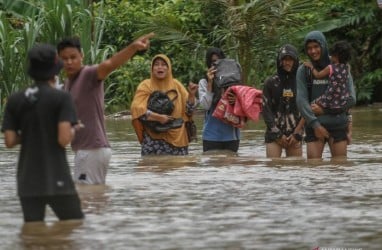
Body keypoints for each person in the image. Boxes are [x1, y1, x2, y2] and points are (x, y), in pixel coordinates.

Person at [1, 44, 84, 222]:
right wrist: (73, 129)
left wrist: (30, 132)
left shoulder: (15, 99)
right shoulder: (61, 97)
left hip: (27, 182)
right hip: (57, 178)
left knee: (32, 232)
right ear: (55, 68)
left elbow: (9, 140)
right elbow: (63, 140)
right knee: (74, 226)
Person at [57, 32, 154, 184]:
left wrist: (133, 47)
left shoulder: (88, 74)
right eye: (64, 59)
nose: (69, 62)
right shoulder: (67, 84)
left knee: (86, 197)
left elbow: (109, 64)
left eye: (73, 57)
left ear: (81, 55)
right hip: (85, 150)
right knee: (92, 198)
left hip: (92, 150)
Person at [296, 31, 356, 159]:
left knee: (340, 169)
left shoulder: (340, 66)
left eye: (316, 47)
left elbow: (352, 99)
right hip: (314, 126)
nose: (313, 51)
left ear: (323, 46)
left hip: (338, 124)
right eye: (309, 48)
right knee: (314, 171)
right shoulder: (304, 70)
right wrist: (315, 125)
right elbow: (301, 101)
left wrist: (325, 110)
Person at [130, 54, 198, 155]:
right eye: (156, 64)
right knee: (153, 168)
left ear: (168, 68)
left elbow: (189, 111)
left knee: (179, 169)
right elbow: (137, 110)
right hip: (153, 140)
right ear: (152, 68)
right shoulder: (145, 86)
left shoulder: (177, 85)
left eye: (163, 64)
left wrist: (191, 95)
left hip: (178, 139)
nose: (160, 67)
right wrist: (158, 117)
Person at [262, 44, 304, 158]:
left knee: (295, 170)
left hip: (295, 134)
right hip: (273, 134)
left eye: (290, 59)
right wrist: (277, 134)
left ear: (296, 61)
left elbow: (307, 109)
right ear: (279, 61)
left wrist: (297, 133)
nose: (287, 63)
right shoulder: (270, 82)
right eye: (284, 59)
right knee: (273, 169)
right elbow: (265, 110)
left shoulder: (302, 82)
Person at [198, 47, 240, 153]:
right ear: (208, 63)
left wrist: (236, 100)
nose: (215, 64)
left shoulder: (233, 81)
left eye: (219, 61)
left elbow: (242, 107)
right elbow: (206, 106)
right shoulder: (203, 82)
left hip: (231, 135)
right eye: (212, 62)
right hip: (211, 136)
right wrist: (210, 84)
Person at [303, 40, 352, 112]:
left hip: (329, 96)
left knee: (311, 106)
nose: (330, 57)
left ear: (336, 56)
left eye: (332, 55)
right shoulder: (347, 67)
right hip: (342, 98)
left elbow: (318, 75)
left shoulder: (331, 67)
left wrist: (311, 66)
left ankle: (301, 123)